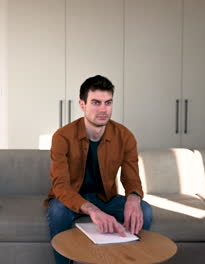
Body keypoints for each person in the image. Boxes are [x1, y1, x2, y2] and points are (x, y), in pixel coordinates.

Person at [45, 75, 153, 264]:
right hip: (71, 199)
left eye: (108, 102)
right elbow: (60, 186)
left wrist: (134, 199)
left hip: (106, 199)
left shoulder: (125, 136)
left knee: (144, 209)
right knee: (57, 211)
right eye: (96, 102)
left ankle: (132, 259)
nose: (103, 109)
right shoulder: (62, 136)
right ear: (82, 104)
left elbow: (131, 179)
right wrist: (92, 210)